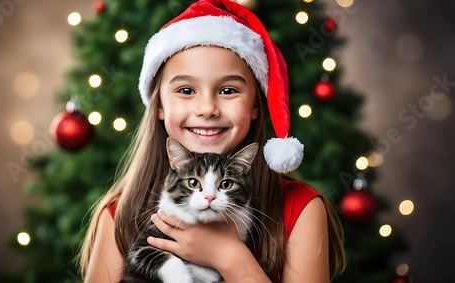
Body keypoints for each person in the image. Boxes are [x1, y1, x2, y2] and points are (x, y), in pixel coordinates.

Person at [78, 0, 345, 282]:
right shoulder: (120, 212)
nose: (207, 109)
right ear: (159, 106)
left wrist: (230, 258)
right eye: (186, 89)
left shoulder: (301, 208)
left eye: (228, 90)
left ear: (256, 104)